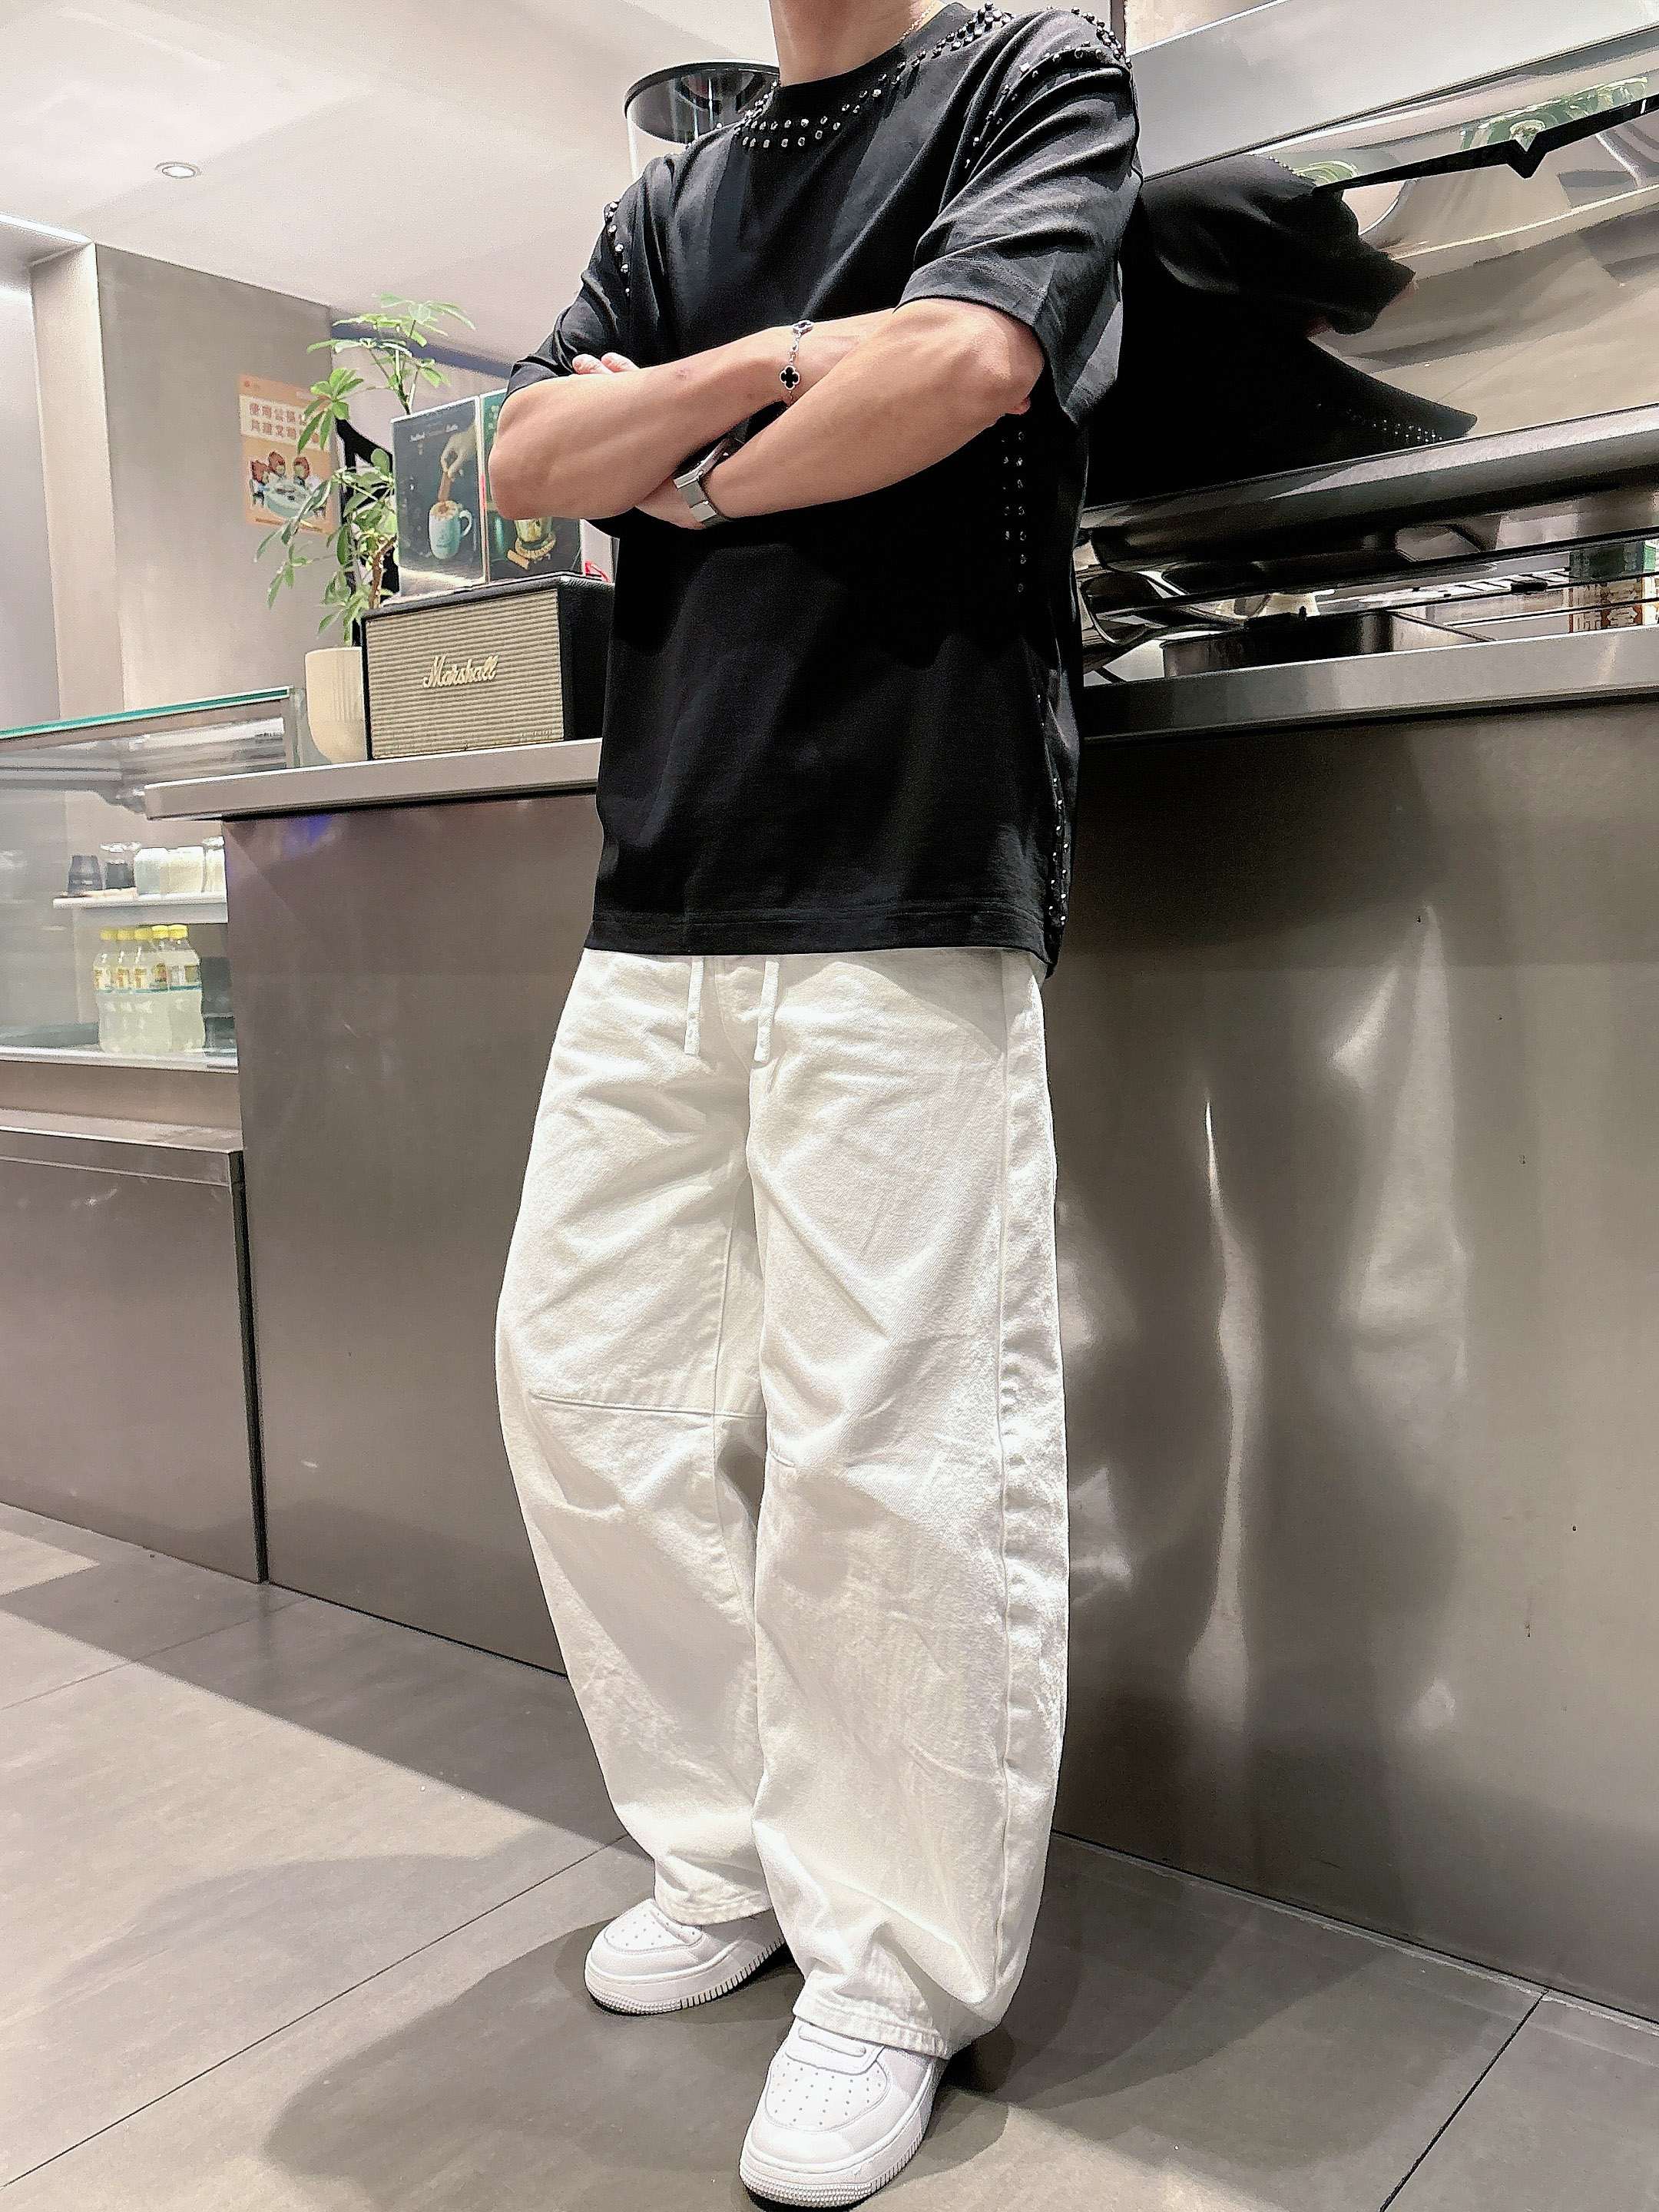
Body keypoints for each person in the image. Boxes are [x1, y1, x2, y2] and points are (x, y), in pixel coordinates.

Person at [491, 4, 1137, 2200]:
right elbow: (524, 456)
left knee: (894, 1438)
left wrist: (669, 449)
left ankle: (892, 1969)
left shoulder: (1031, 70)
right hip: (665, 879)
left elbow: (961, 366)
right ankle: (736, 1855)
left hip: (911, 851)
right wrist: (784, 365)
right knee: (583, 1386)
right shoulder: (674, 189)